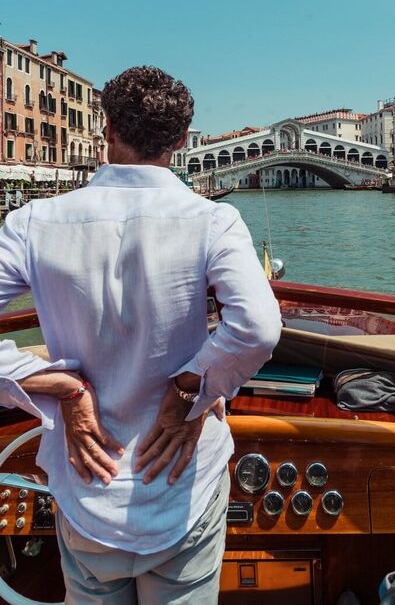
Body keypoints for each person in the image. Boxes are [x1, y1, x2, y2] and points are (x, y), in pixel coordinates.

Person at [0, 66, 281, 604]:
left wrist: (59, 386)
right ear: (181, 140)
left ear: (107, 129)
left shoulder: (31, 223)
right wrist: (189, 390)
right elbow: (258, 329)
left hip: (87, 487)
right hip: (182, 489)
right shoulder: (214, 221)